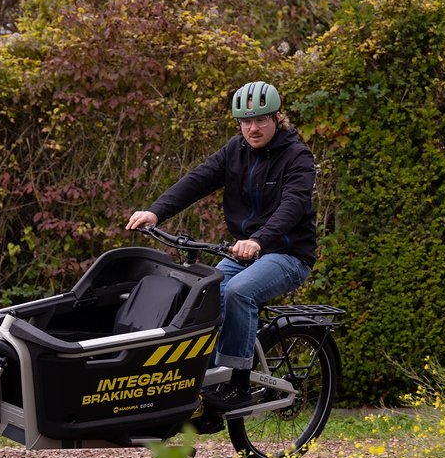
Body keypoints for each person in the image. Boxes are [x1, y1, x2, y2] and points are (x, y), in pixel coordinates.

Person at [126, 81, 317, 410]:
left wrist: (259, 240)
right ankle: (205, 382)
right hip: (243, 252)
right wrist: (156, 211)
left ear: (277, 118)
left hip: (287, 253)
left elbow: (293, 206)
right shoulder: (235, 151)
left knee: (238, 292)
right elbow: (197, 180)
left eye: (260, 120)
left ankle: (238, 382)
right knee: (203, 295)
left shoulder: (297, 157)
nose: (252, 128)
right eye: (245, 122)